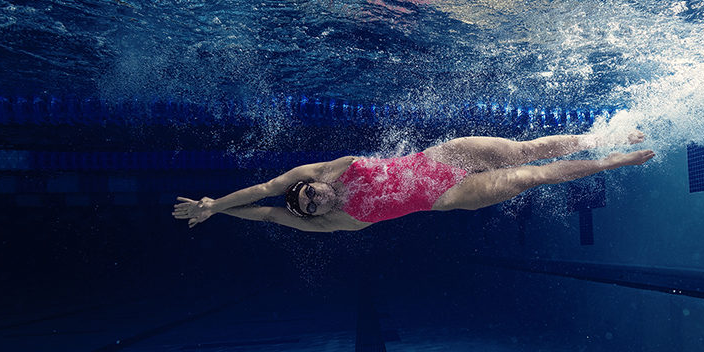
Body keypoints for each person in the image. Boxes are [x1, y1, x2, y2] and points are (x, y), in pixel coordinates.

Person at [173, 131, 654, 232]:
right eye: (310, 203)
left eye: (307, 190)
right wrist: (216, 211)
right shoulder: (330, 222)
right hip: (448, 195)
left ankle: (603, 135)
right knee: (535, 176)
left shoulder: (322, 173)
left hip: (442, 155)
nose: (314, 194)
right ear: (314, 216)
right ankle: (616, 160)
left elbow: (264, 190)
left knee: (527, 150)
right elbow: (263, 209)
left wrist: (214, 202)